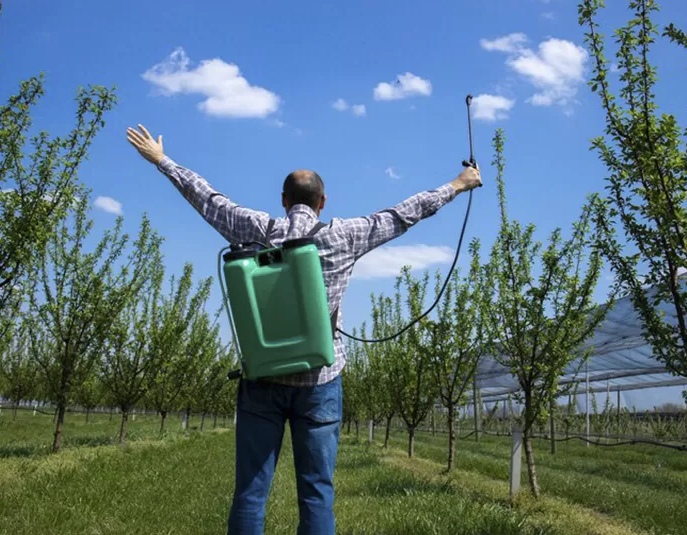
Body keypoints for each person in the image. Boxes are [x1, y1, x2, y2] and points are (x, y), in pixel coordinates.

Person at [126, 124, 482, 535]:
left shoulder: (256, 228)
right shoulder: (344, 235)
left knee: (250, 493)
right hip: (320, 382)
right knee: (316, 493)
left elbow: (208, 200)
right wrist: (458, 183)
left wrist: (162, 161)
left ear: (283, 201)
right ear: (322, 201)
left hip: (262, 378)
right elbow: (402, 214)